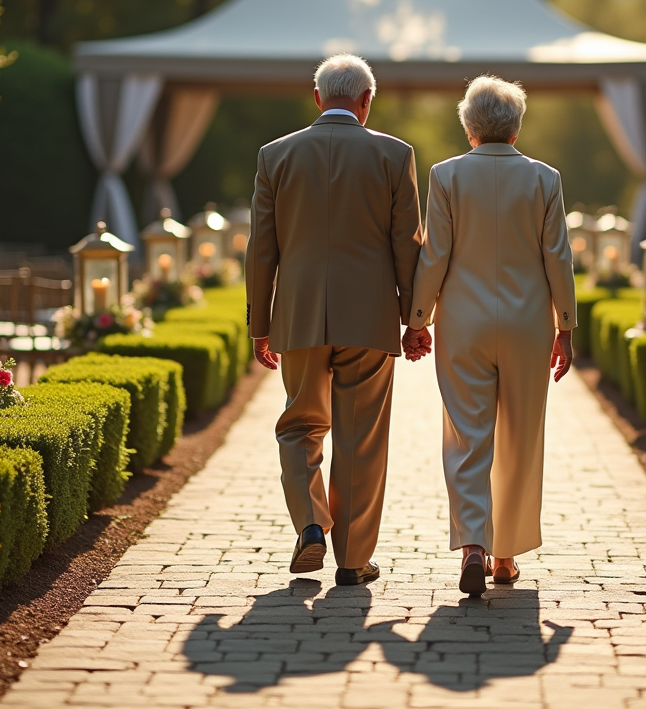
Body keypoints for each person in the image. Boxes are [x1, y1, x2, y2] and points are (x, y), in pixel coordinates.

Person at [246, 53, 423, 587]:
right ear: (367, 101)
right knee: (360, 438)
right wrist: (416, 319)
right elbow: (407, 246)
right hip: (369, 318)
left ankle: (310, 526)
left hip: (297, 316)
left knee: (299, 426)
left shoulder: (275, 155)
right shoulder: (395, 155)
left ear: (318, 98)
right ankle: (353, 559)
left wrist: (260, 325)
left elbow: (261, 249)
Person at [402, 75, 576, 597]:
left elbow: (435, 254)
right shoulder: (545, 179)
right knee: (521, 438)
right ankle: (504, 558)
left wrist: (417, 319)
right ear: (517, 130)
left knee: (467, 434)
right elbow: (558, 259)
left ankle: (473, 544)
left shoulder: (446, 175)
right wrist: (565, 327)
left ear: (468, 127)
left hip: (464, 322)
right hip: (527, 325)